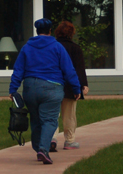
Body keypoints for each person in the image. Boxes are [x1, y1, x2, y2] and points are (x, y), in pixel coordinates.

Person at [8, 18, 82, 165]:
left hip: (30, 88)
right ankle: (43, 149)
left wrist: (13, 89)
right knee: (49, 120)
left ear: (36, 31)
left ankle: (38, 149)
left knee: (36, 120)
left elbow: (18, 70)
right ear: (50, 31)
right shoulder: (57, 47)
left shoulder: (27, 47)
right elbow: (68, 69)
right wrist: (76, 88)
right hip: (52, 88)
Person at [53, 21, 89, 150]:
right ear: (71, 33)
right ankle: (69, 140)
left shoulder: (52, 47)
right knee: (69, 115)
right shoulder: (75, 48)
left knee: (52, 114)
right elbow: (79, 68)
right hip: (70, 86)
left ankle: (51, 138)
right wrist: (83, 85)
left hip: (53, 84)